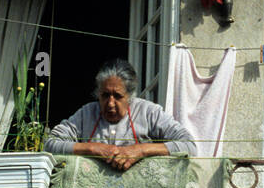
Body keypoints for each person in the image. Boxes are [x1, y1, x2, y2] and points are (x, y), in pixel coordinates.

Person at [43, 59, 196, 170]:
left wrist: (140, 150)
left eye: (117, 96)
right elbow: (50, 144)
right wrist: (92, 148)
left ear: (130, 96)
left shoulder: (149, 112)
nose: (110, 103)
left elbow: (189, 145)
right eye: (104, 95)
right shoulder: (86, 113)